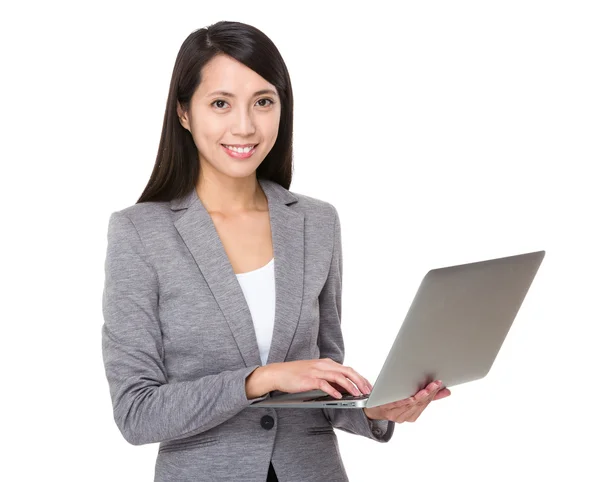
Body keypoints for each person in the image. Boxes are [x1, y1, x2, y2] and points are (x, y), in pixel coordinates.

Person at [101, 20, 451, 482]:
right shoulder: (139, 233)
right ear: (184, 113)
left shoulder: (316, 221)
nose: (244, 126)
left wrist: (374, 409)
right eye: (221, 103)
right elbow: (136, 412)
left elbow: (321, 382)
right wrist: (259, 380)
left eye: (263, 102)